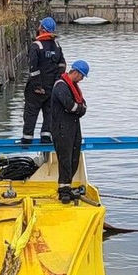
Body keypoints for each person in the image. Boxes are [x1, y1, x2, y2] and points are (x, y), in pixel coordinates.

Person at [50, 60, 89, 203]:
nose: (82, 79)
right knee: (65, 158)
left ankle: (68, 185)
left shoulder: (73, 87)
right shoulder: (61, 86)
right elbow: (70, 106)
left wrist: (79, 109)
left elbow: (82, 105)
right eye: (82, 76)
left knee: (74, 157)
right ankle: (63, 189)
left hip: (73, 126)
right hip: (62, 128)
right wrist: (79, 109)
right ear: (76, 72)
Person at [22, 17, 66, 144]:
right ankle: (46, 137)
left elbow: (33, 68)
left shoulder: (36, 46)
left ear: (42, 29)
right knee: (49, 112)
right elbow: (62, 64)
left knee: (31, 112)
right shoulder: (57, 46)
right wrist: (57, 81)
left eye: (40, 25)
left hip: (37, 88)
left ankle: (27, 138)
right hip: (51, 87)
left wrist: (37, 86)